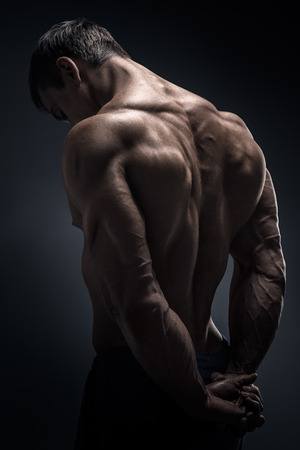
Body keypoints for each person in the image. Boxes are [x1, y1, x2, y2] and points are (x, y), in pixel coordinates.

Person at [29, 18, 285, 450]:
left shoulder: (97, 137)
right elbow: (267, 267)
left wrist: (197, 400)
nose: (69, 120)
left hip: (144, 377)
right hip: (223, 377)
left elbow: (134, 294)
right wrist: (237, 376)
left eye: (60, 110)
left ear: (70, 70)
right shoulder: (237, 136)